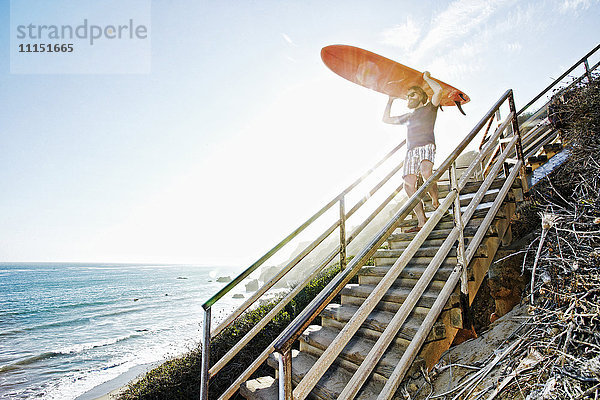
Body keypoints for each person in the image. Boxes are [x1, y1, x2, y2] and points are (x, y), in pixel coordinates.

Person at [383, 71, 443, 232]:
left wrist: (427, 79)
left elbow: (438, 92)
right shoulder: (408, 116)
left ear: (422, 97)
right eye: (407, 96)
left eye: (412, 95)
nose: (409, 98)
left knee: (426, 172)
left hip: (427, 146)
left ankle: (435, 199)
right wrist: (390, 100)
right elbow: (386, 119)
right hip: (411, 151)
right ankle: (422, 221)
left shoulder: (430, 108)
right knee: (408, 185)